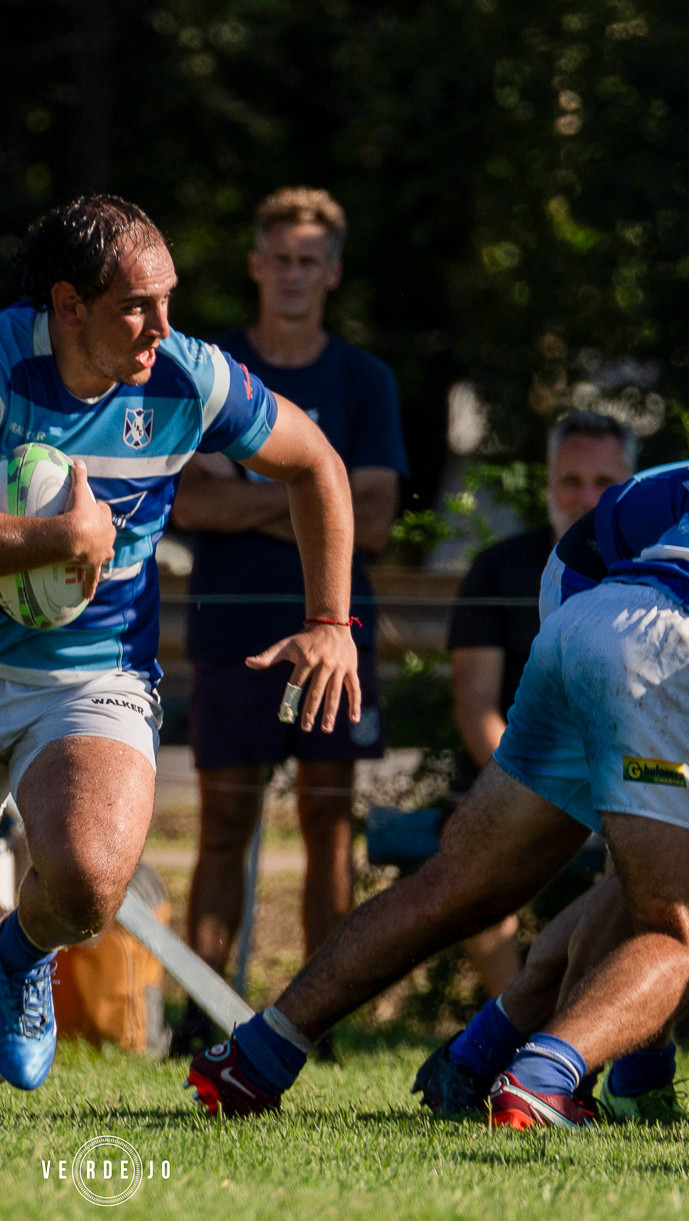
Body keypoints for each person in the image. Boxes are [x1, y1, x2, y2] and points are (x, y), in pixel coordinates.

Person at [185, 397, 689, 1130]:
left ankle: (262, 1050)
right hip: (676, 647)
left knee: (463, 883)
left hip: (590, 623)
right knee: (685, 933)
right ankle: (544, 1078)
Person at [0, 195, 360, 1120]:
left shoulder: (187, 374)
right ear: (68, 305)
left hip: (95, 672)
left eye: (168, 299)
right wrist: (61, 537)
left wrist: (331, 620)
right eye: (137, 305)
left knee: (91, 882)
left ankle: (23, 949)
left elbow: (316, 463)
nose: (161, 326)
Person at [168, 188, 407, 1055]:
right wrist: (313, 487)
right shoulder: (214, 369)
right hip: (233, 631)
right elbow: (190, 501)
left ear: (332, 272)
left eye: (311, 260)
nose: (295, 274)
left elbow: (372, 520)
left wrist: (256, 493)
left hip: (335, 630)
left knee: (327, 828)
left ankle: (318, 1020)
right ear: (256, 266)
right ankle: (200, 1015)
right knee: (223, 827)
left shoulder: (364, 379)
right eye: (281, 259)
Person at [446, 412, 635, 997]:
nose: (586, 498)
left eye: (603, 482)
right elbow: (474, 701)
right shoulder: (497, 567)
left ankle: (592, 1023)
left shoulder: (660, 566)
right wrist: (529, 784)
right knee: (476, 869)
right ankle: (512, 1021)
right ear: (549, 481)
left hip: (627, 776)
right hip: (514, 771)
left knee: (646, 866)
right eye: (570, 480)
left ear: (631, 483)